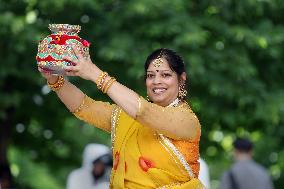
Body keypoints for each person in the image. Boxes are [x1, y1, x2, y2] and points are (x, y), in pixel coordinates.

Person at [38, 47, 204, 188]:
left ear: (181, 79)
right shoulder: (127, 117)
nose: (156, 81)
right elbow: (85, 107)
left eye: (165, 75)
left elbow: (144, 112)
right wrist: (55, 80)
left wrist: (94, 73)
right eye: (151, 75)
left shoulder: (187, 121)